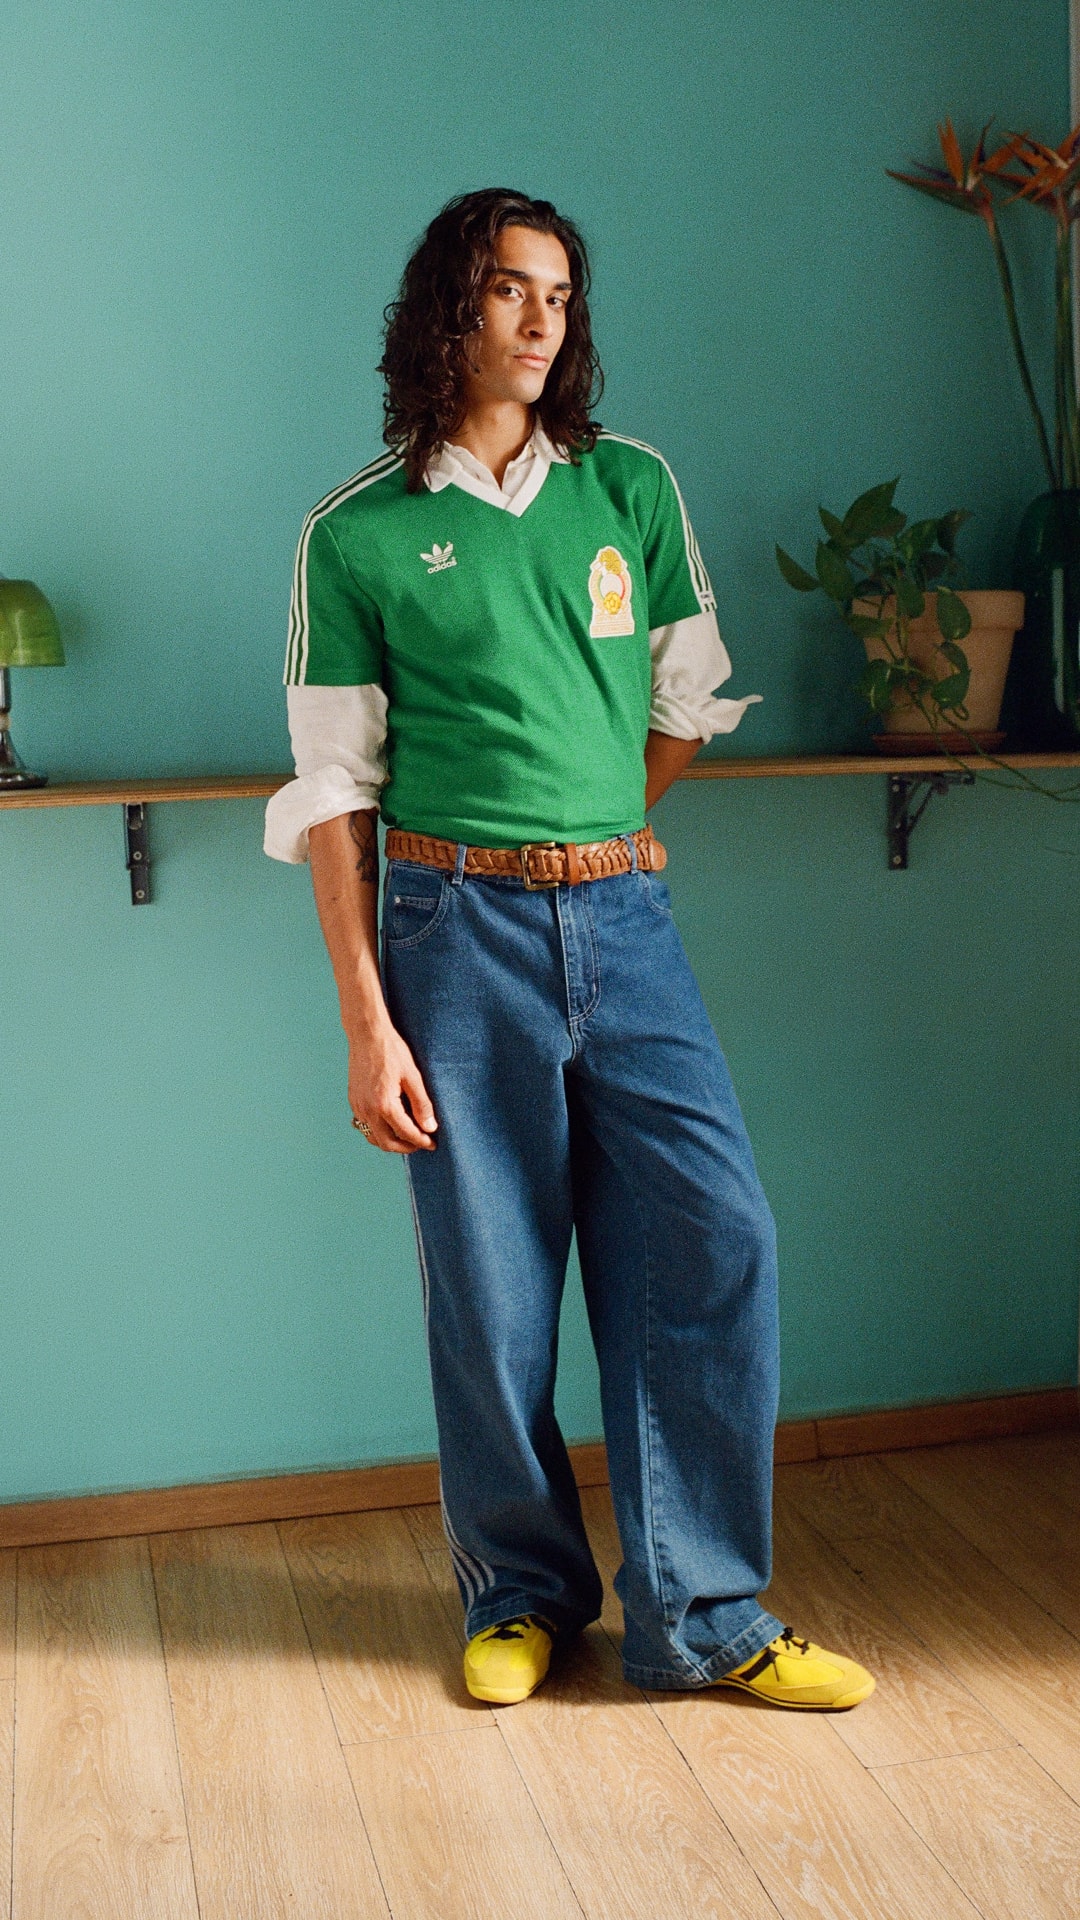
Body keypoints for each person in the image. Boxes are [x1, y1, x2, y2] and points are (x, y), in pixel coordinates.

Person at [265, 188, 874, 1712]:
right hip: (449, 930)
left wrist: (596, 838)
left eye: (560, 292)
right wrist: (365, 1022)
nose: (543, 318)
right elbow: (335, 797)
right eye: (509, 288)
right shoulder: (358, 534)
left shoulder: (631, 491)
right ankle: (521, 1596)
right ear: (447, 307)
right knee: (490, 1283)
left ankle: (707, 1615)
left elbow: (683, 705)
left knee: (717, 1236)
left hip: (625, 921)